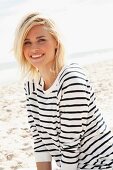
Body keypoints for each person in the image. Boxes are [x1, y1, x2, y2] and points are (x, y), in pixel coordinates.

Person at [14, 12, 113, 170]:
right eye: (27, 42)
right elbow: (40, 141)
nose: (34, 48)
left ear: (56, 42)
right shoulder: (31, 86)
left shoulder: (72, 80)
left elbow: (69, 148)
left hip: (101, 164)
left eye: (41, 39)